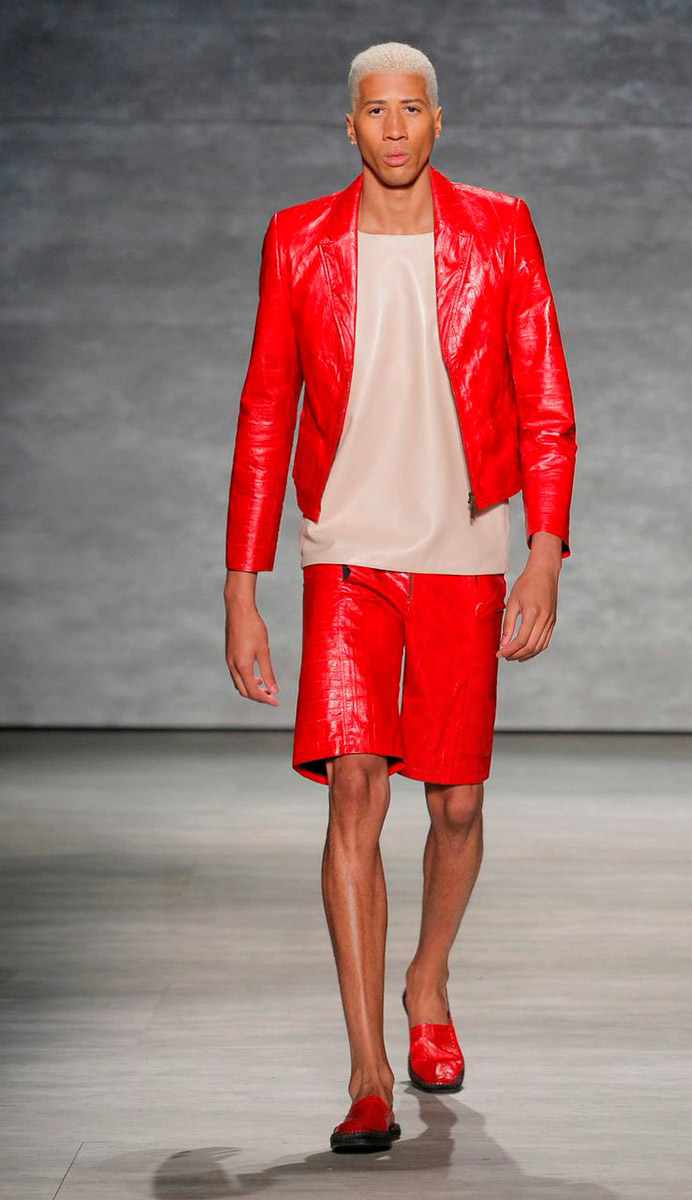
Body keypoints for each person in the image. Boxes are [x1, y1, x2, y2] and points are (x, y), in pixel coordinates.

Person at [223, 41, 577, 1153]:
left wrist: (545, 552)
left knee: (456, 803)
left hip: (463, 546)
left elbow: (544, 397)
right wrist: (242, 587)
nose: (391, 127)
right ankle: (368, 1069)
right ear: (349, 126)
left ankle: (427, 979)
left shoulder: (499, 229)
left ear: (437, 122)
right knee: (354, 795)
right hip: (345, 550)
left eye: (410, 109)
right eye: (373, 110)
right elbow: (266, 409)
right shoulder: (298, 240)